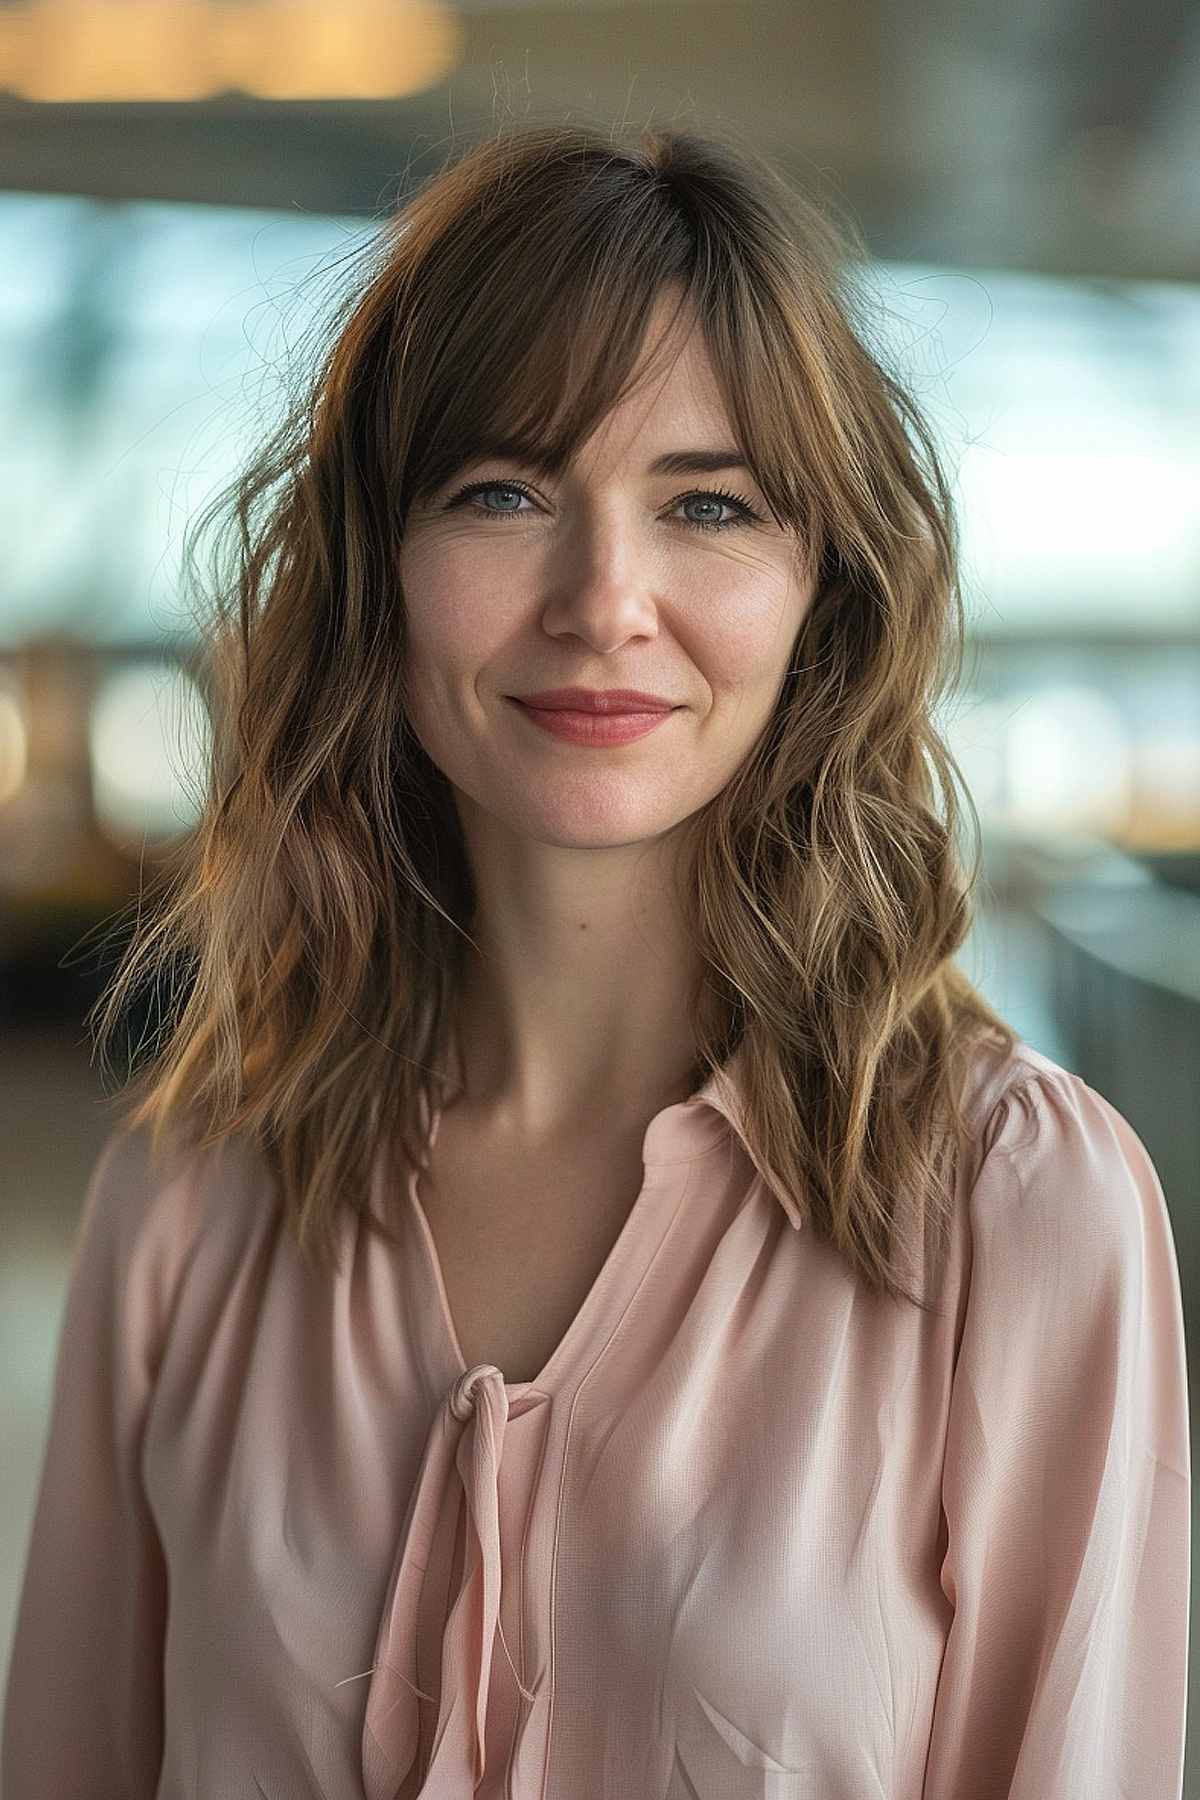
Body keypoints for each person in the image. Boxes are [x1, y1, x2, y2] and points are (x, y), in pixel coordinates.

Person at [2, 121, 1189, 1799]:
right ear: (378, 572)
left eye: (708, 504)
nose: (604, 597)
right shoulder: (190, 1207)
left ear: (818, 592)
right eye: (503, 491)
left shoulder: (1022, 1212)